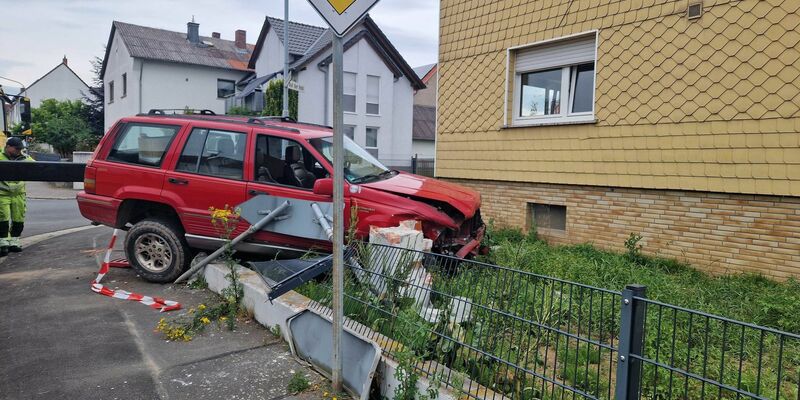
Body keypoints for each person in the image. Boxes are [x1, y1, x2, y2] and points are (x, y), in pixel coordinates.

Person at [0, 137, 33, 256]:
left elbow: (36, 167)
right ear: (8, 147)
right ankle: (3, 242)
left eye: (20, 149)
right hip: (2, 193)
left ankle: (14, 241)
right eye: (17, 149)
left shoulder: (24, 158)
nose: (19, 151)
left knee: (18, 218)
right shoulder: (0, 156)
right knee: (2, 217)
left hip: (18, 194)